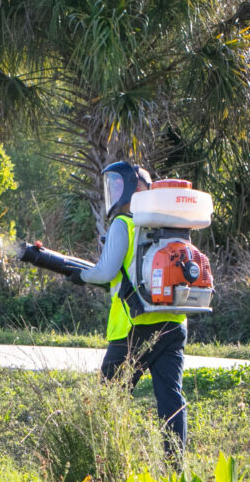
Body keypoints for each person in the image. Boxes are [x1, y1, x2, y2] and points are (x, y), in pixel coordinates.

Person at [80, 160, 188, 455]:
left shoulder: (123, 224)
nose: (114, 191)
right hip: (174, 324)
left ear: (134, 187)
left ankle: (106, 462)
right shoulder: (170, 224)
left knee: (109, 398)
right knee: (171, 399)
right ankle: (175, 466)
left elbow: (104, 272)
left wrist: (82, 275)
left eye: (118, 184)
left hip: (133, 327)